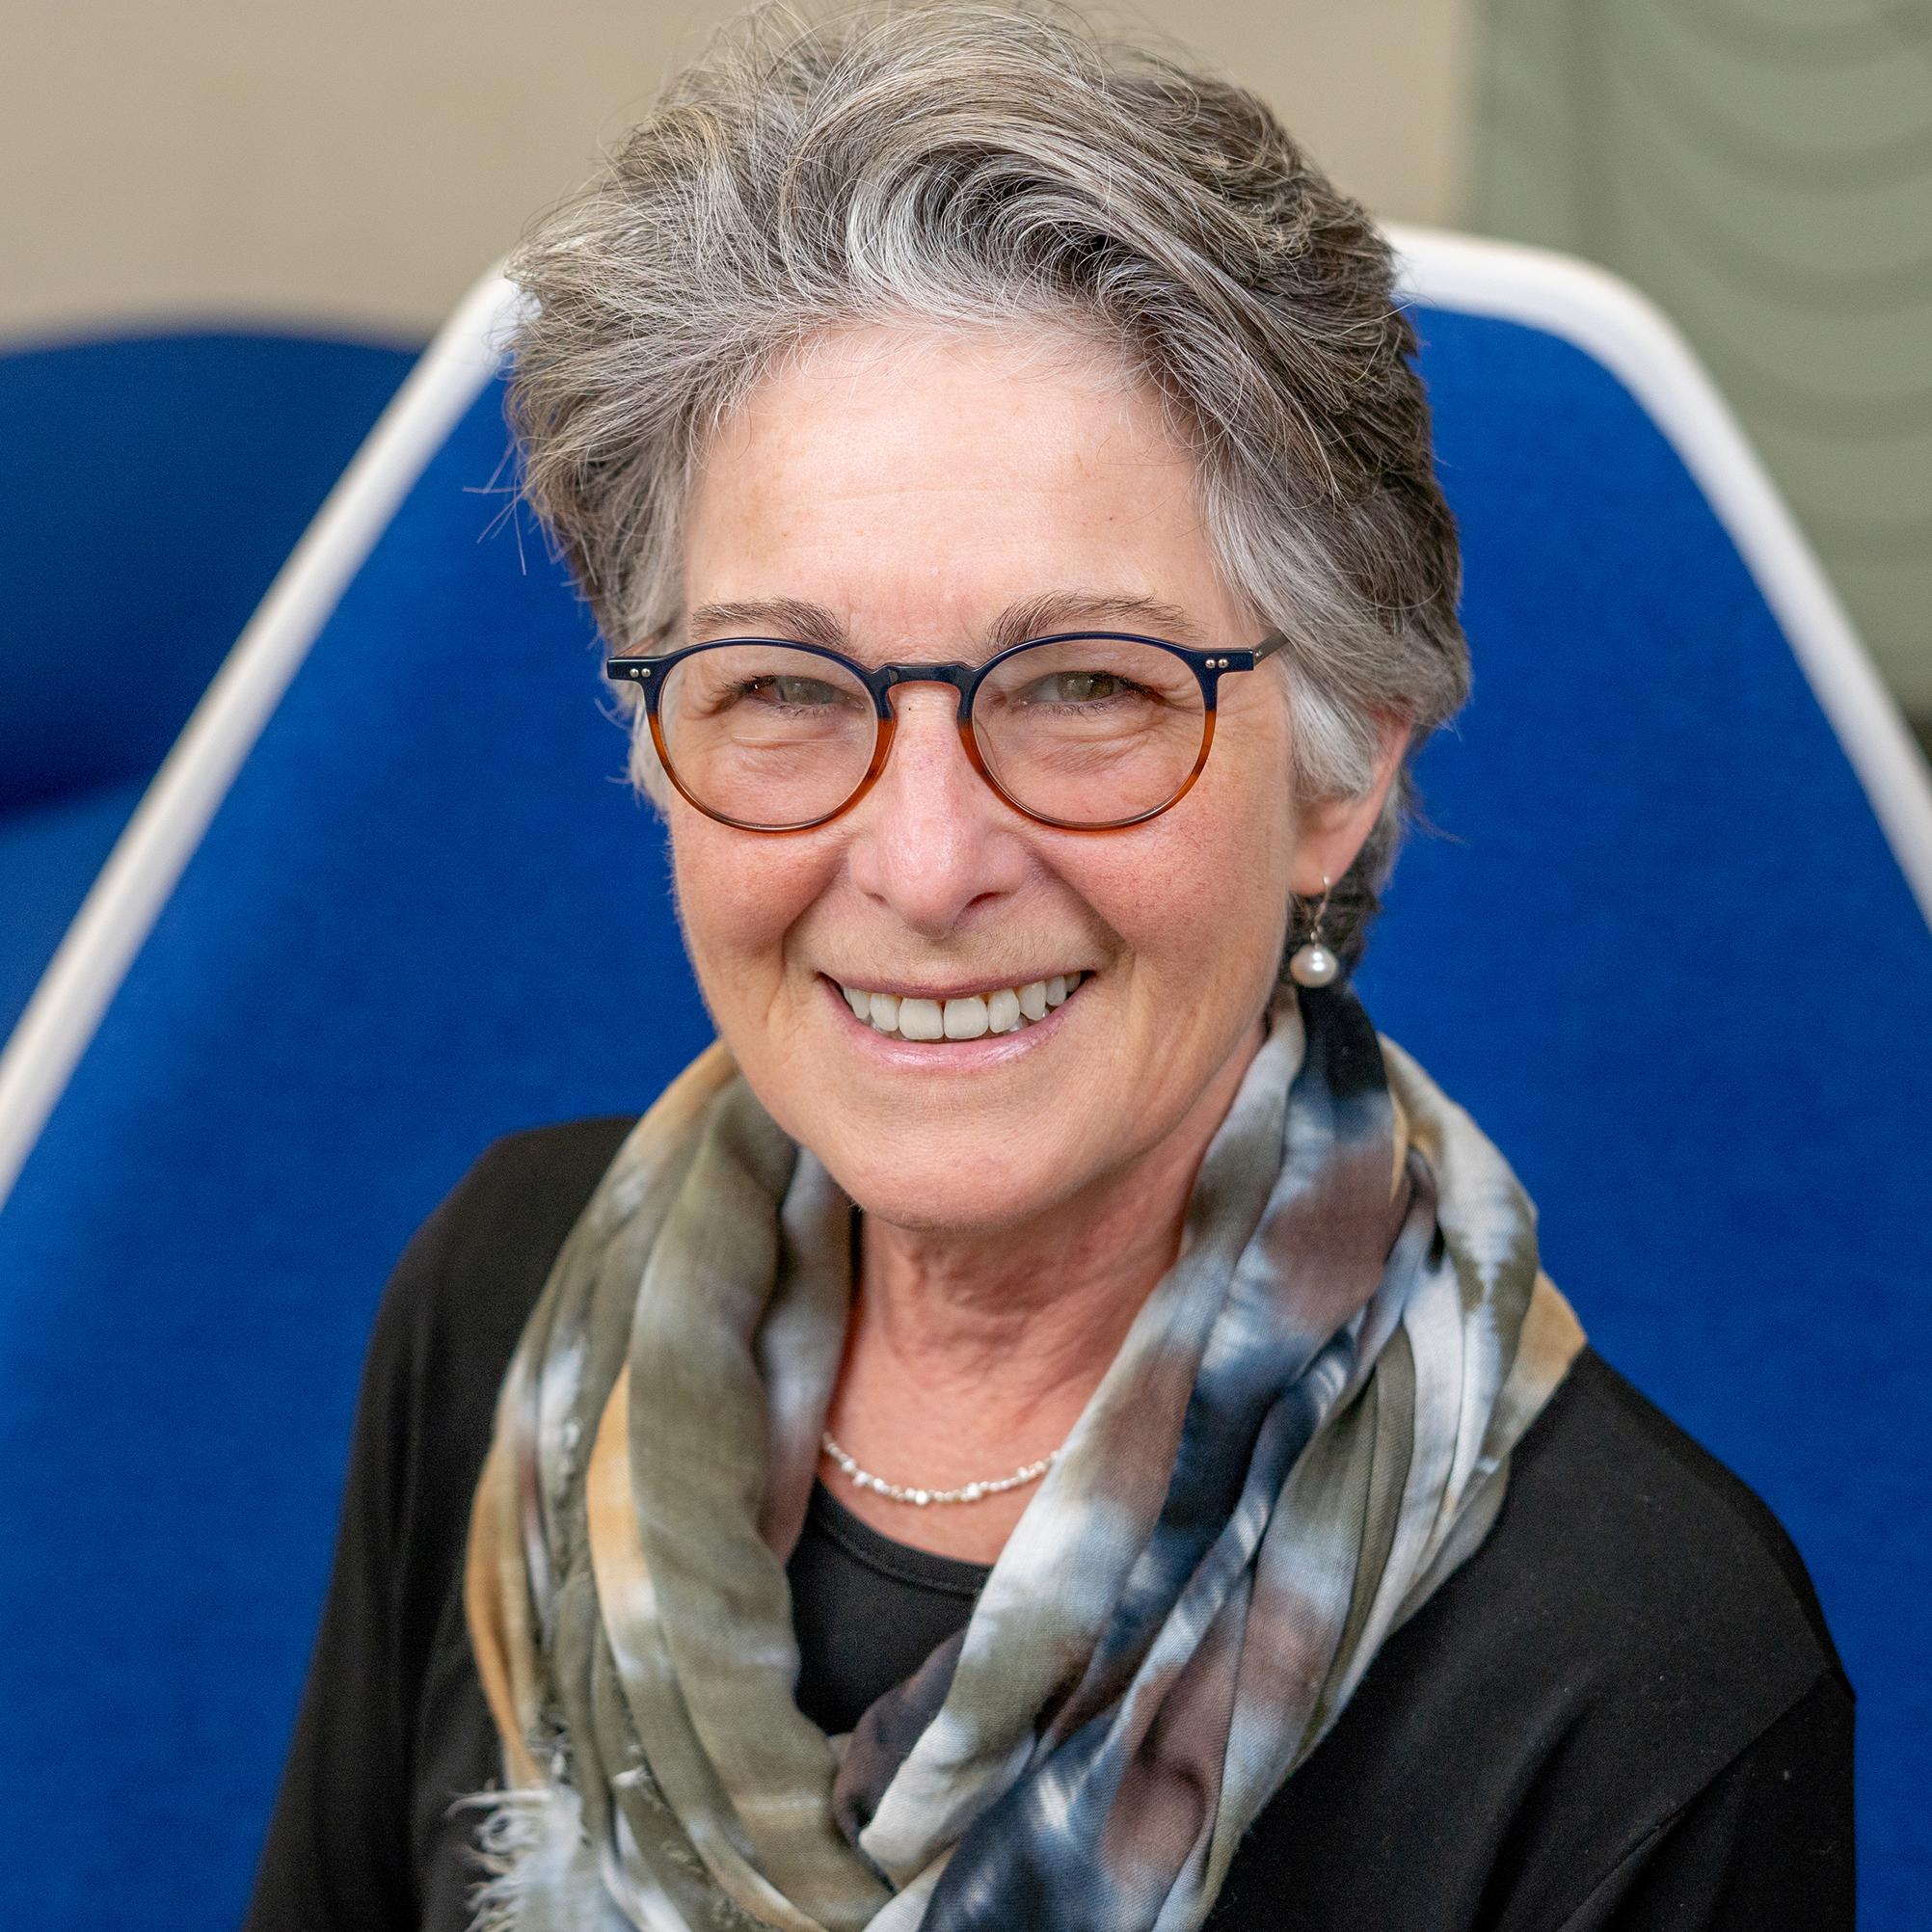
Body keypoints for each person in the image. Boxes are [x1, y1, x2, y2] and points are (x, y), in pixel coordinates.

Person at [241, 4, 1853, 1928]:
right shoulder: (504, 1305)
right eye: (780, 686)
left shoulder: (1628, 1678)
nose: (924, 863)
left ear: (1340, 771)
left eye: (1085, 685)